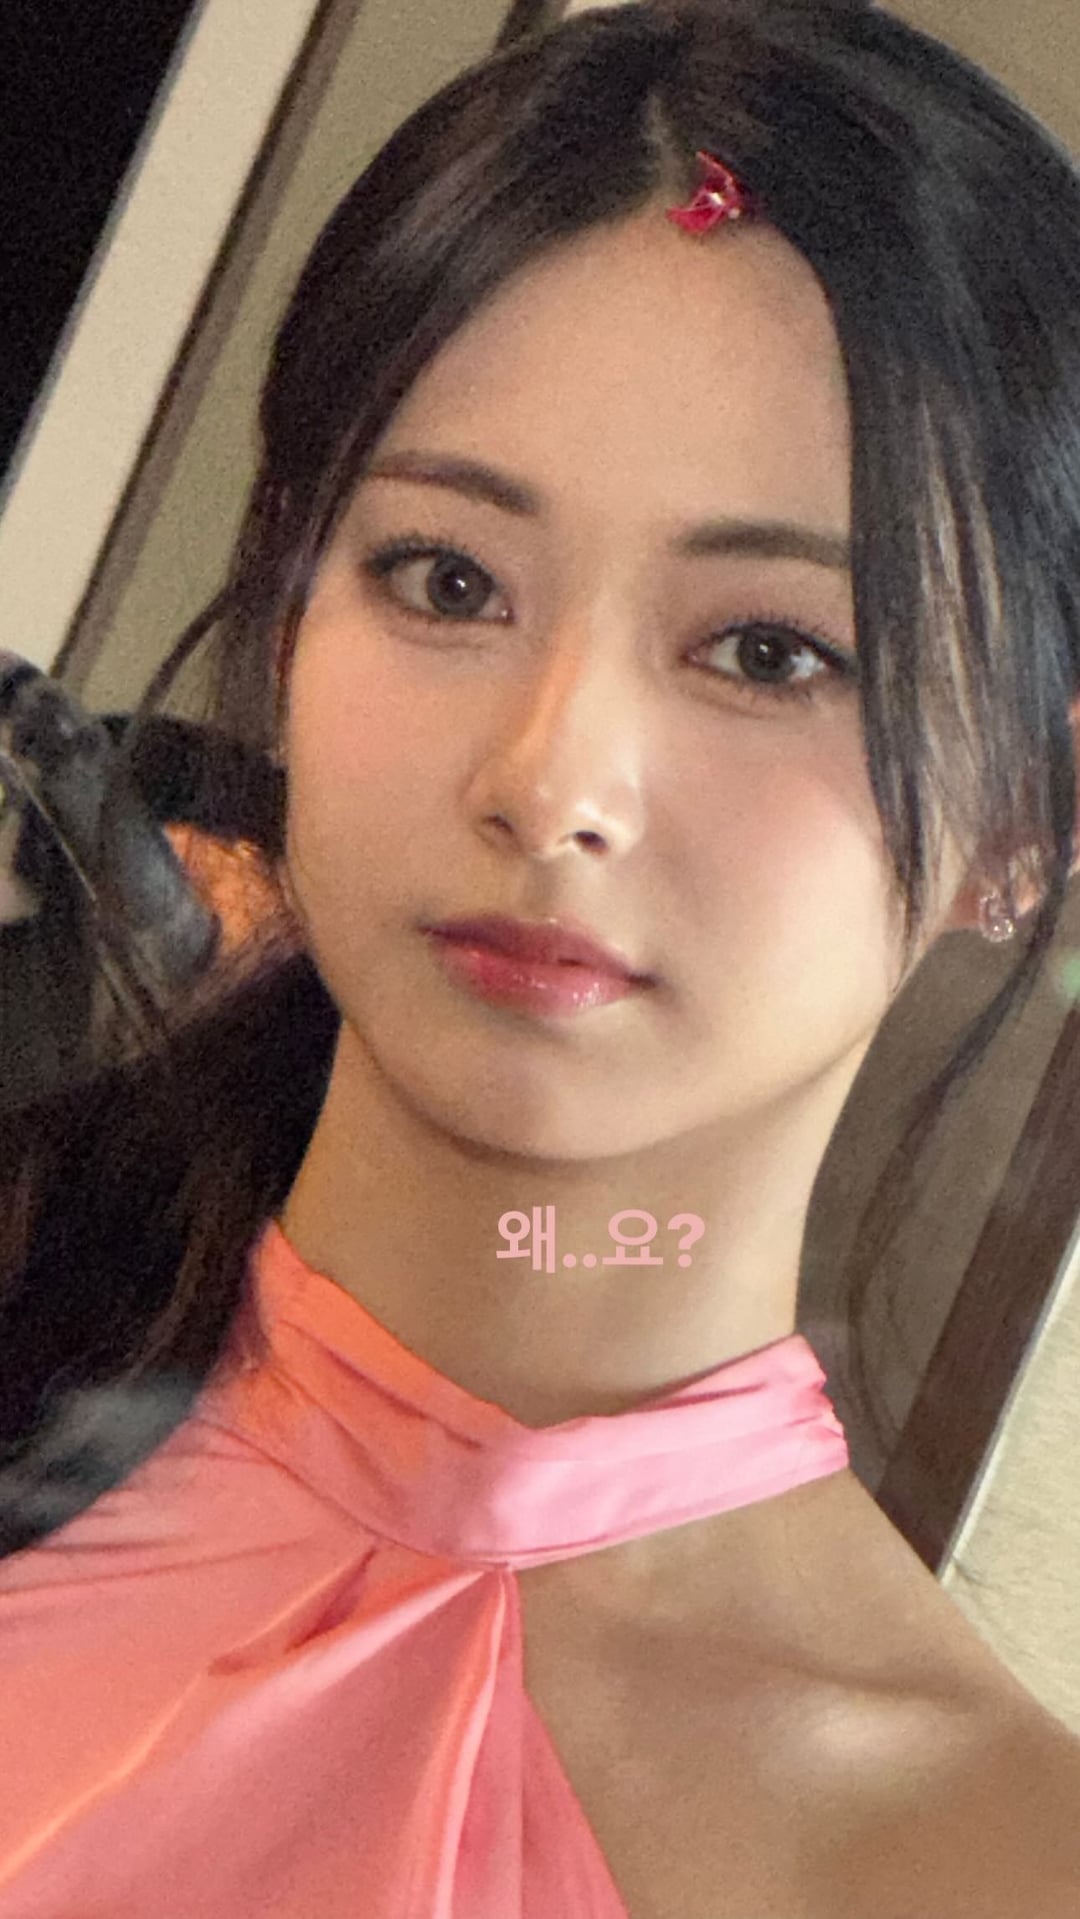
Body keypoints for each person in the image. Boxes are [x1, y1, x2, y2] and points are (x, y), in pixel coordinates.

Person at [2, 2, 1080, 1912]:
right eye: (448, 580)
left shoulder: (979, 1860)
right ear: (289, 615)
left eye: (770, 651)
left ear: (1024, 818)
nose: (550, 780)